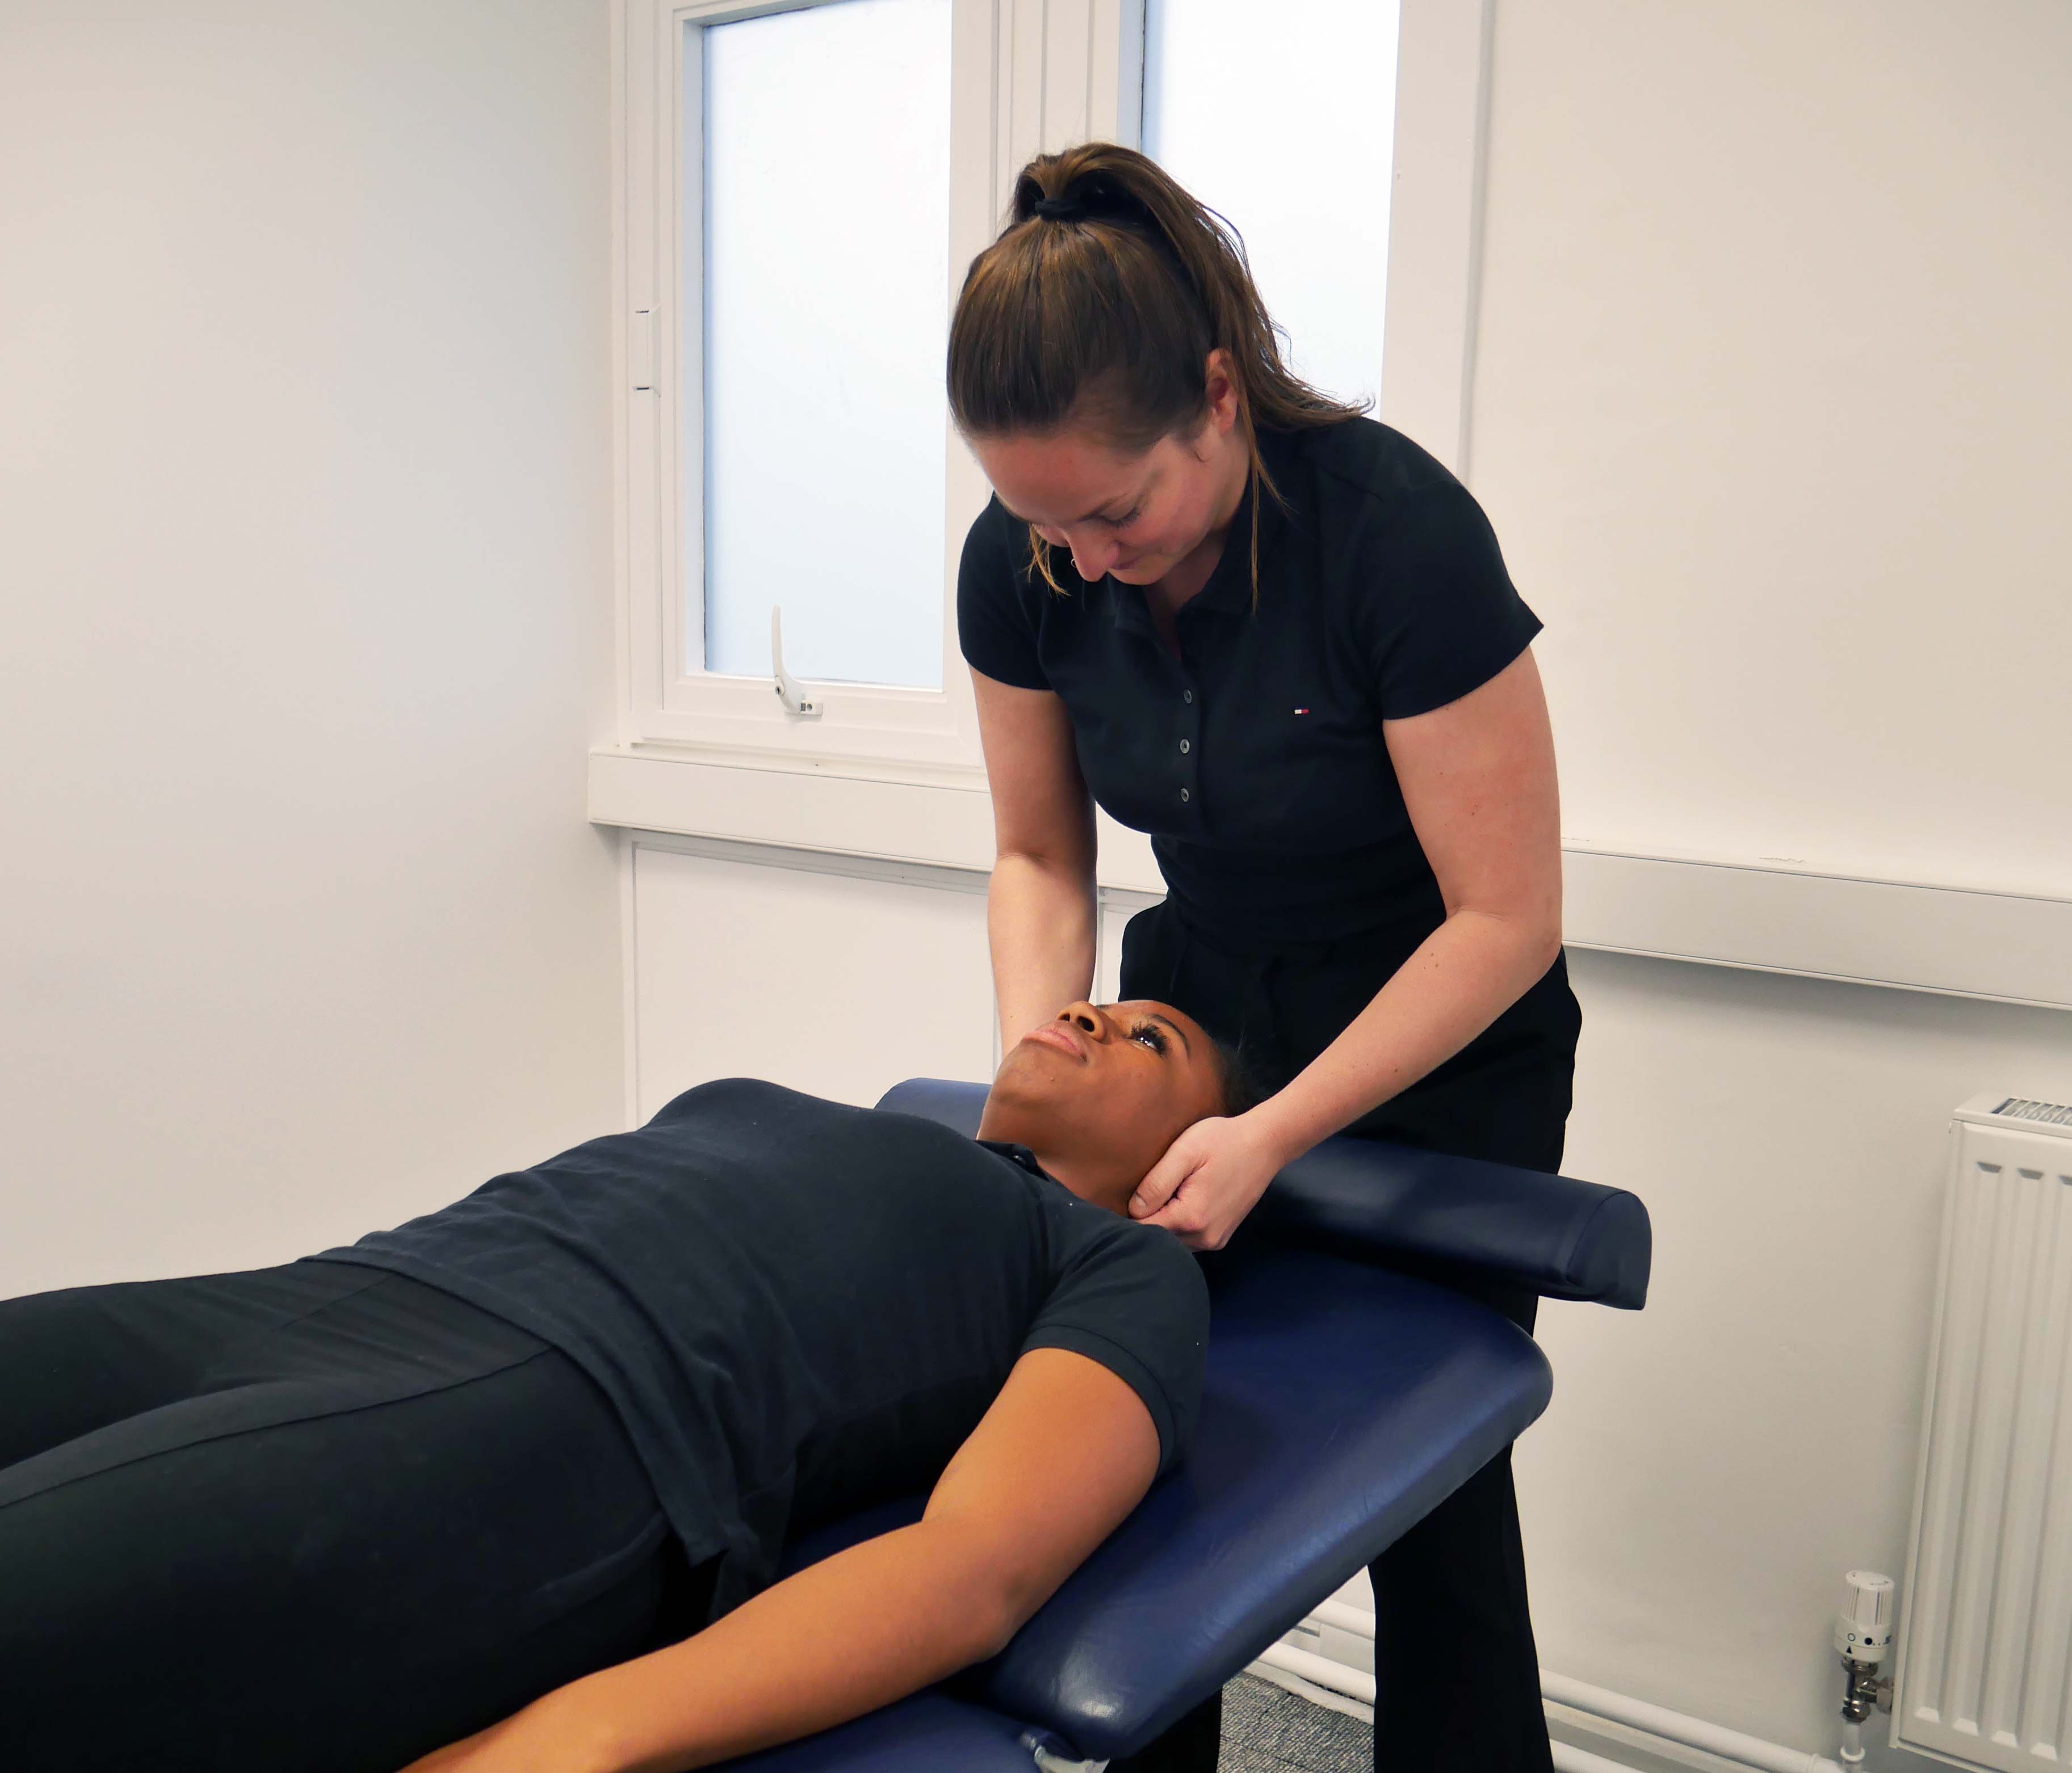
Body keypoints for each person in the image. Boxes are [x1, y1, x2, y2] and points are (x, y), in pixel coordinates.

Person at [949, 141, 1580, 1773]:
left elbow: (1504, 918)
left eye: (1114, 509)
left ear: (1217, 399)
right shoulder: (1024, 559)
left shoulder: (1394, 536)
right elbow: (1037, 850)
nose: (1078, 555)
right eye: (1038, 520)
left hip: (1436, 1032)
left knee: (1422, 1462)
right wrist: (1057, 1070)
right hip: (1205, 998)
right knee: (1147, 1407)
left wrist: (1279, 1133)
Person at [0, 997, 1263, 1773]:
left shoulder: (1113, 1262)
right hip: (326, 1293)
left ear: (1176, 1161)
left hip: (548, 1414)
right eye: (1100, 997)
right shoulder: (810, 1108)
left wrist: (579, 1737)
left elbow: (974, 1566)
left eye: (1153, 1035)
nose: (1094, 1013)